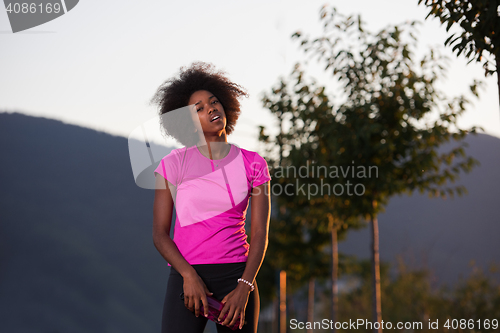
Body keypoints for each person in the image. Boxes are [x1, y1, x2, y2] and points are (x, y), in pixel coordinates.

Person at [150, 62, 271, 333]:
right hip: (187, 277)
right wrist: (189, 275)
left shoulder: (254, 164)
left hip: (236, 280)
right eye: (199, 109)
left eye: (214, 102)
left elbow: (260, 233)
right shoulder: (173, 164)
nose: (211, 109)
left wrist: (245, 286)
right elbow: (160, 234)